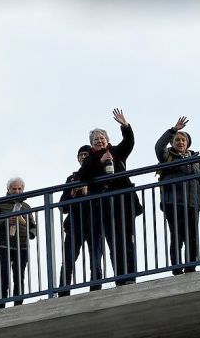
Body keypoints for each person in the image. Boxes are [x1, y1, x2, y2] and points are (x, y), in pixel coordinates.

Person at [76, 108, 142, 285]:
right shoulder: (90, 159)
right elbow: (83, 175)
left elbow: (129, 143)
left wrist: (125, 126)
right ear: (92, 144)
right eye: (96, 140)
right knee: (113, 243)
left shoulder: (117, 152)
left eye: (101, 138)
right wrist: (99, 160)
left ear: (107, 141)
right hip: (104, 206)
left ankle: (130, 276)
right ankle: (120, 277)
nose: (99, 141)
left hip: (123, 202)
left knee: (127, 240)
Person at [154, 117, 200, 274]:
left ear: (188, 143)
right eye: (177, 140)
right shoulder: (167, 156)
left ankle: (191, 266)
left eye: (183, 140)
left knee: (192, 236)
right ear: (172, 142)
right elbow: (158, 147)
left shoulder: (195, 159)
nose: (180, 142)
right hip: (174, 202)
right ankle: (177, 267)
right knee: (177, 236)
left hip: (192, 202)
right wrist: (172, 130)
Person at [58, 145, 103, 295]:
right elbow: (62, 206)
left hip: (94, 222)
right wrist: (72, 193)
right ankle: (63, 292)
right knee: (68, 260)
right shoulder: (72, 178)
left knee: (95, 259)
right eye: (80, 155)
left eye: (86, 154)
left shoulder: (97, 174)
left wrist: (87, 193)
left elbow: (103, 197)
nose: (83, 157)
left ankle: (95, 290)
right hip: (74, 224)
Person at [0, 177, 37, 308]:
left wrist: (28, 230)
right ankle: (1, 305)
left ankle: (18, 305)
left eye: (20, 188)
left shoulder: (26, 206)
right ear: (8, 190)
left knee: (19, 277)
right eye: (14, 188)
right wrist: (5, 222)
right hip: (4, 244)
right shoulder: (0, 203)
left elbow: (33, 227)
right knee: (4, 276)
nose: (17, 191)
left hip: (22, 245)